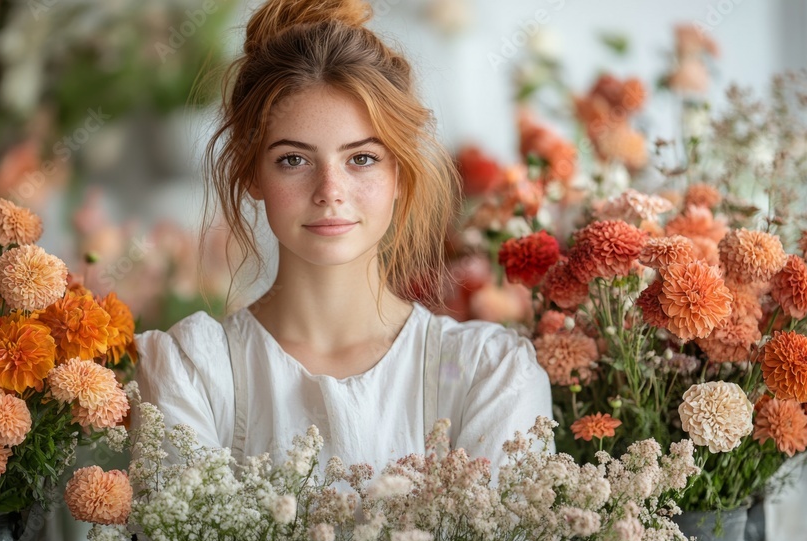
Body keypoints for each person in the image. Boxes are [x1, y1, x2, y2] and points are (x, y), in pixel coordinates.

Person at [135, 0, 552, 474]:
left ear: (401, 173)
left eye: (362, 159)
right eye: (294, 159)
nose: (330, 193)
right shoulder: (192, 373)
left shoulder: (490, 374)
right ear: (251, 172)